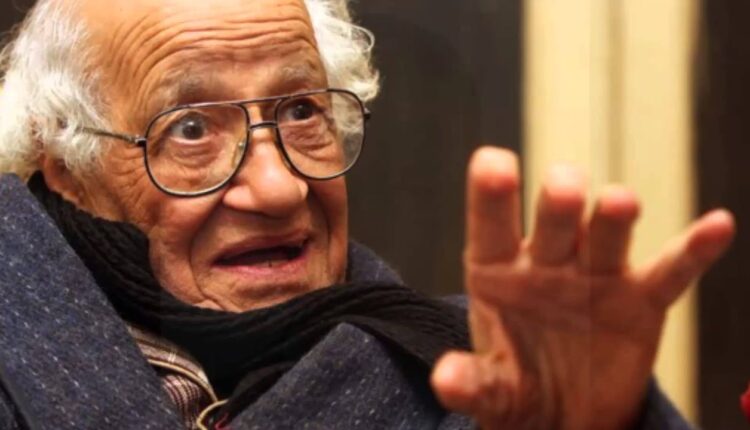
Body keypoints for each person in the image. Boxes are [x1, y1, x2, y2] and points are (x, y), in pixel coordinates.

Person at [0, 0, 736, 429]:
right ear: (66, 169)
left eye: (301, 111)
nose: (280, 188)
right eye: (190, 129)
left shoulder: (486, 374)